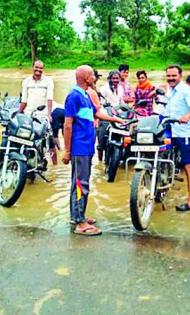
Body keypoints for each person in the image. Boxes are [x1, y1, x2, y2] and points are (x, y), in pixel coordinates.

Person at [62, 65, 124, 236]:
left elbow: (96, 114)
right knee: (80, 184)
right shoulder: (73, 96)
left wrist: (114, 118)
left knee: (82, 182)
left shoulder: (85, 95)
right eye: (91, 75)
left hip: (87, 146)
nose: (94, 77)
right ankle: (79, 223)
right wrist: (67, 151)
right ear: (84, 77)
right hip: (79, 147)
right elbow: (67, 125)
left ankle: (78, 215)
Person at [165, 64, 190, 211]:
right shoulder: (171, 91)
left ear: (180, 76)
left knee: (188, 166)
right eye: (168, 76)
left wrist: (187, 116)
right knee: (165, 158)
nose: (171, 78)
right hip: (171, 131)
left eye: (174, 76)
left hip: (185, 133)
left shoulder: (187, 90)